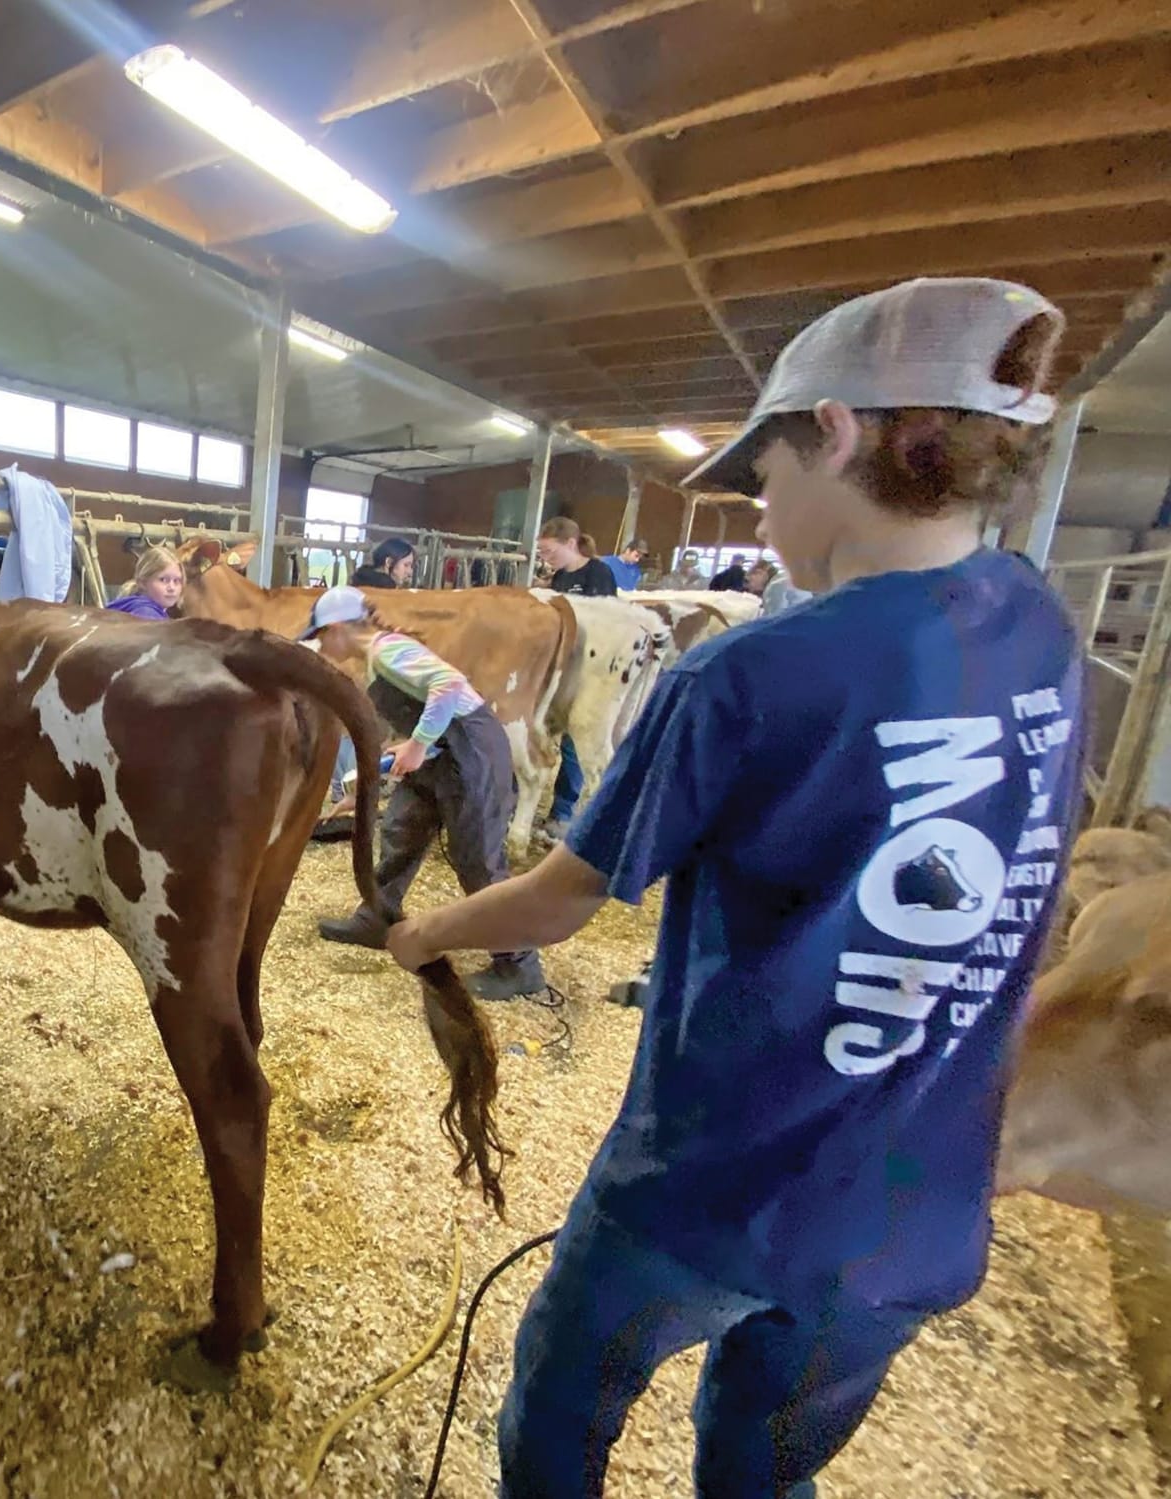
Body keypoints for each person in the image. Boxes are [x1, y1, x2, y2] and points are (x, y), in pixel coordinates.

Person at [384, 276, 1082, 1498]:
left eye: (763, 478)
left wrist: (424, 927)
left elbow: (558, 899)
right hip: (910, 1214)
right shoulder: (1035, 620)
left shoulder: (750, 670)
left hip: (717, 1186)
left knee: (556, 1407)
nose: (760, 520)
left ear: (837, 431)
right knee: (761, 1470)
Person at [306, 586, 547, 1003]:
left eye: (322, 634)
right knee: (403, 830)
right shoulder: (378, 659)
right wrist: (361, 789)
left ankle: (519, 965)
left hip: (471, 753)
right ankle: (377, 919)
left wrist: (418, 743)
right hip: (443, 754)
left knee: (478, 860)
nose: (323, 644)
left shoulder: (387, 651)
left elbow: (449, 685)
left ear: (339, 628)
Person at [535, 518, 618, 835]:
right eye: (542, 552)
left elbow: (605, 620)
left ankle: (562, 814)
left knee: (573, 741)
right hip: (557, 665)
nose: (546, 558)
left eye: (549, 550)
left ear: (570, 543)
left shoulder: (598, 573)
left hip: (587, 666)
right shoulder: (558, 577)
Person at [105, 544, 183, 620]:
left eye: (177, 581)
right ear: (143, 583)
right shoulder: (147, 615)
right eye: (163, 580)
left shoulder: (139, 608)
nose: (172, 588)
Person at [351, 536, 416, 589]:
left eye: (411, 566)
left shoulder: (360, 579)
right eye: (406, 565)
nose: (410, 572)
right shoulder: (385, 587)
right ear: (389, 562)